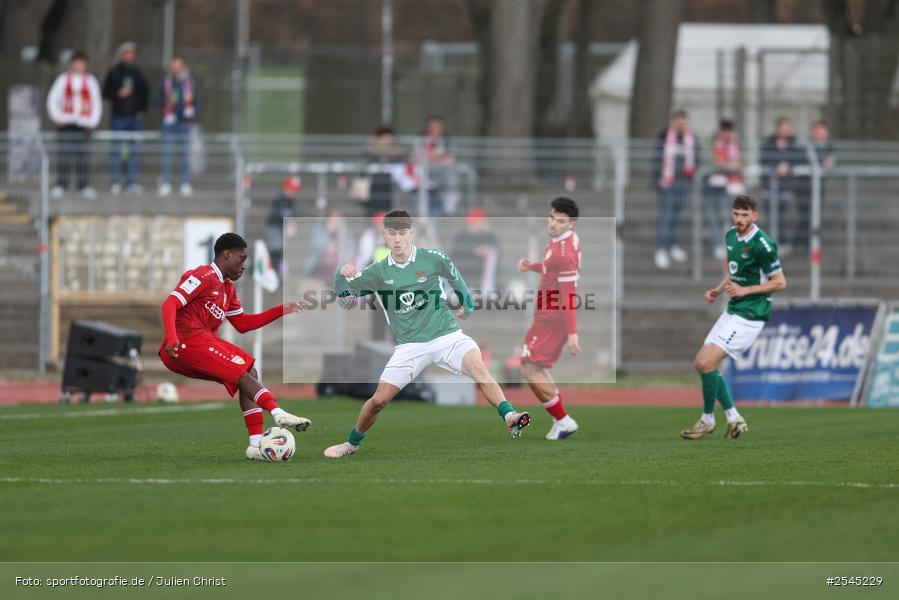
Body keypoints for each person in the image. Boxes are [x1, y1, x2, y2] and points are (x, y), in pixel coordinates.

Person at [323, 210, 531, 458]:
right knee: (378, 401)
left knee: (478, 367)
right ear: (385, 235)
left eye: (402, 233)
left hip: (446, 335)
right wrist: (340, 275)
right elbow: (346, 300)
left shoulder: (432, 258)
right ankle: (351, 444)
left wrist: (467, 302)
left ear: (411, 233)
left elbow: (454, 274)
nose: (397, 239)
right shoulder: (377, 271)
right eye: (391, 233)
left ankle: (510, 415)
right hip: (409, 347)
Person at [159, 233, 312, 460]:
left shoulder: (227, 289)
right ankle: (278, 412)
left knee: (249, 370)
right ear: (226, 255)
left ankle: (256, 445)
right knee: (241, 372)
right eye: (241, 259)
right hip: (185, 341)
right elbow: (170, 303)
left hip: (199, 343)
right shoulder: (203, 275)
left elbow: (243, 324)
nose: (244, 266)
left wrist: (282, 309)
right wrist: (172, 338)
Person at [681, 195, 787, 440]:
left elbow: (780, 282)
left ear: (754, 216)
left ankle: (709, 420)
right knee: (701, 363)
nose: (739, 219)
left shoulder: (763, 245)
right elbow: (735, 273)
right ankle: (733, 417)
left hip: (751, 314)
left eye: (745, 215)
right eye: (736, 214)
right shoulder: (730, 235)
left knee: (707, 363)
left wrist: (745, 291)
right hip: (734, 309)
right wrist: (717, 290)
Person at [516, 197, 581, 440]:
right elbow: (550, 267)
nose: (553, 223)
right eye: (552, 217)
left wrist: (572, 334)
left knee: (529, 369)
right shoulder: (562, 241)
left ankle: (563, 420)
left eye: (560, 221)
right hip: (549, 316)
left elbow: (568, 295)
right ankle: (560, 419)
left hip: (551, 319)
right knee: (537, 366)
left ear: (571, 224)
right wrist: (532, 266)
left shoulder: (564, 254)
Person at [46, 51, 103, 198]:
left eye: (81, 63)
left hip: (84, 124)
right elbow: (53, 99)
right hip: (66, 123)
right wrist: (57, 117)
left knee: (83, 156)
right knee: (64, 155)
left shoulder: (91, 81)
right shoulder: (63, 79)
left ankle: (83, 185)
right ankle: (61, 185)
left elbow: (96, 102)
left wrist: (93, 121)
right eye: (76, 63)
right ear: (72, 64)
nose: (79, 66)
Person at [653, 110, 699, 269]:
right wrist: (658, 178)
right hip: (667, 183)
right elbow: (656, 159)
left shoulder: (692, 139)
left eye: (683, 122)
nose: (681, 125)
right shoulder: (664, 137)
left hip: (683, 183)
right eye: (678, 121)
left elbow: (696, 160)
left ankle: (674, 245)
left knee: (677, 217)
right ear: (673, 122)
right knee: (666, 217)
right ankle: (661, 249)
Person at [102, 41, 149, 195]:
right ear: (122, 55)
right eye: (126, 53)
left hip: (135, 119)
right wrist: (118, 94)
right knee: (116, 150)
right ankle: (115, 182)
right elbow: (106, 92)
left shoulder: (138, 74)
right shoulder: (114, 73)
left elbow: (145, 93)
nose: (129, 56)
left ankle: (132, 182)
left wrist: (142, 110)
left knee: (135, 151)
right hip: (119, 118)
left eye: (131, 54)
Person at [760, 117, 805, 254]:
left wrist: (788, 166)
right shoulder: (768, 144)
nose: (785, 130)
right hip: (769, 188)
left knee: (781, 216)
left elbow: (799, 160)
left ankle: (780, 243)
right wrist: (776, 167)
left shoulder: (795, 146)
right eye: (782, 127)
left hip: (785, 188)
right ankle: (772, 244)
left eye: (787, 127)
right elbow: (763, 160)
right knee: (771, 216)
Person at [156, 56, 199, 197]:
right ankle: (166, 183)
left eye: (178, 66)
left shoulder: (190, 82)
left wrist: (191, 116)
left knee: (185, 155)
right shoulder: (166, 82)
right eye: (173, 67)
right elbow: (157, 99)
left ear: (183, 66)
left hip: (184, 123)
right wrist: (165, 106)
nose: (175, 69)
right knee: (166, 154)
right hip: (169, 122)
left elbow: (197, 101)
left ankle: (185, 183)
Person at [703, 119, 744, 260]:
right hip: (717, 184)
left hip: (732, 185)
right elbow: (716, 162)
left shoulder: (735, 143)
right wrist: (728, 166)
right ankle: (717, 244)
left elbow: (738, 162)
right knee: (717, 216)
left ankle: (730, 244)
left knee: (729, 216)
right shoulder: (714, 143)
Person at [417, 115, 460, 217]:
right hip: (425, 170)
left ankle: (448, 212)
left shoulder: (448, 141)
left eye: (437, 127)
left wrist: (430, 158)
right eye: (432, 127)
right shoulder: (421, 140)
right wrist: (439, 157)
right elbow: (415, 158)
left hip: (444, 172)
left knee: (452, 180)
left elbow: (451, 159)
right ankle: (421, 214)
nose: (434, 130)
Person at [452, 208, 500, 295]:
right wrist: (473, 250)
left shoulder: (488, 235)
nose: (472, 226)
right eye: (471, 223)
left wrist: (487, 231)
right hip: (465, 272)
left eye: (475, 223)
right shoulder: (462, 235)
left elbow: (496, 249)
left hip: (482, 274)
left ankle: (486, 288)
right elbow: (458, 252)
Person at [363, 126, 405, 217]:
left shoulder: (395, 149)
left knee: (387, 208)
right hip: (373, 183)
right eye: (385, 137)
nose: (388, 140)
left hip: (389, 185)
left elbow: (400, 154)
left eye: (390, 137)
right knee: (372, 208)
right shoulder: (371, 148)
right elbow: (368, 153)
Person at [265, 176, 301, 275]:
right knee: (276, 255)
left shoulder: (291, 201)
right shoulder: (280, 200)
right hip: (275, 231)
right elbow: (283, 215)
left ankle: (280, 274)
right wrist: (289, 223)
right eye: (291, 190)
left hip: (283, 234)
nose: (293, 193)